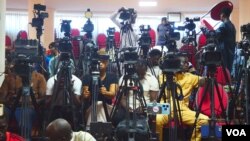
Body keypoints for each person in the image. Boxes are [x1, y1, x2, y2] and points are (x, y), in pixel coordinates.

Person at [156, 55, 209, 141]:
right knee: (157, 119)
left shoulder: (190, 77)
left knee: (204, 120)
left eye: (187, 62)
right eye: (184, 62)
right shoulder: (162, 76)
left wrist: (205, 76)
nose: (187, 64)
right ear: (176, 63)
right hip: (165, 107)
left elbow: (203, 81)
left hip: (182, 109)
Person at [0, 62, 47, 141]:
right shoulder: (10, 77)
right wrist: (10, 100)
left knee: (25, 114)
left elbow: (44, 98)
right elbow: (1, 97)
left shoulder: (39, 77)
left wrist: (31, 101)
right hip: (11, 107)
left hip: (29, 107)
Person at [82, 49, 118, 129]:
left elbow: (112, 94)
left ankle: (91, 129)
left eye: (104, 61)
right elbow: (85, 95)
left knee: (100, 106)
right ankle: (103, 130)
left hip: (108, 107)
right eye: (99, 61)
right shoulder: (87, 77)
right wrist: (86, 94)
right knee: (97, 105)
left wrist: (105, 93)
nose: (101, 63)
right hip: (91, 107)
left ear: (107, 62)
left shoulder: (112, 76)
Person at [201, 7, 236, 73]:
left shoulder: (224, 25)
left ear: (222, 15)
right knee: (227, 73)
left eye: (220, 15)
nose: (220, 17)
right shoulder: (232, 26)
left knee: (223, 74)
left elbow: (212, 35)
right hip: (230, 54)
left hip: (223, 54)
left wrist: (203, 28)